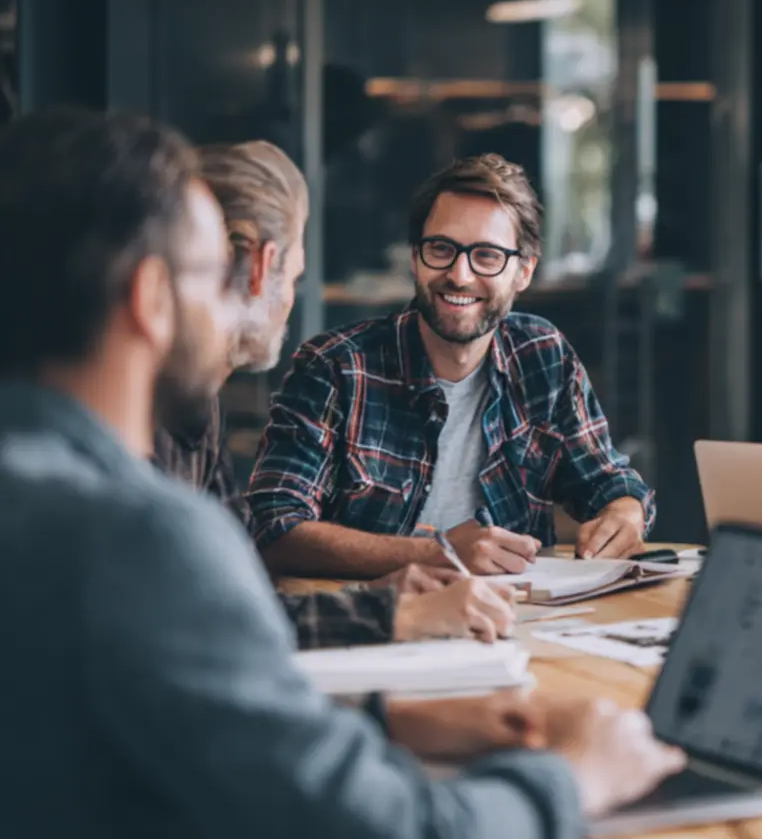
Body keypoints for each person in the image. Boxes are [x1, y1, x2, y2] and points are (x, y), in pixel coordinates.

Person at [0, 107, 683, 837]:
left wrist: (389, 719)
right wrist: (573, 776)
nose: (244, 301)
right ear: (151, 298)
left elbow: (193, 702)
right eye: (215, 276)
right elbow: (393, 827)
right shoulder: (145, 539)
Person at [154, 139, 511, 648]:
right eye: (296, 277)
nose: (460, 273)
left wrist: (378, 602)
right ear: (263, 266)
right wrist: (389, 614)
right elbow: (196, 626)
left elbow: (237, 599)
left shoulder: (196, 408)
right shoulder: (146, 418)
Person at [248, 154, 653, 579]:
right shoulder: (335, 368)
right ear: (415, 258)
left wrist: (625, 512)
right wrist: (436, 554)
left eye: (487, 255)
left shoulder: (541, 355)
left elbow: (607, 481)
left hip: (515, 613)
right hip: (378, 615)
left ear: (524, 271)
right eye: (441, 249)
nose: (459, 275)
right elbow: (273, 529)